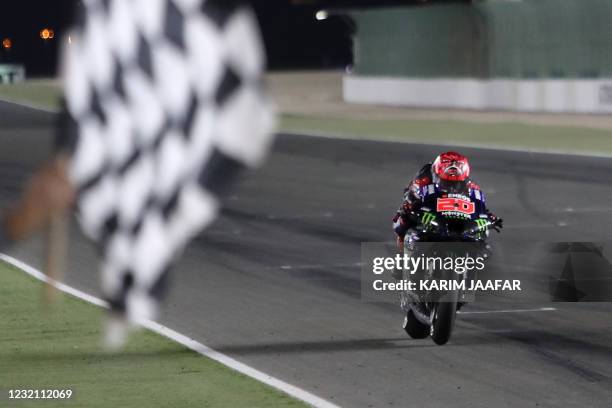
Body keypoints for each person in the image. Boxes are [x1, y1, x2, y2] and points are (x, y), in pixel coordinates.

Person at [392, 151, 501, 250]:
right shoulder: (423, 180)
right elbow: (409, 195)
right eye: (447, 183)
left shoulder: (472, 186)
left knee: (483, 232)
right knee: (402, 221)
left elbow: (479, 205)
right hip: (429, 209)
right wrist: (410, 206)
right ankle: (400, 260)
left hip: (456, 215)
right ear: (436, 175)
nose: (452, 187)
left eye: (457, 184)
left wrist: (489, 216)